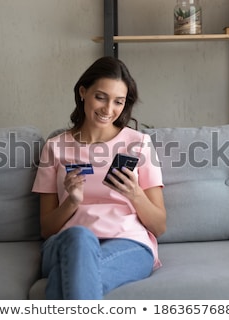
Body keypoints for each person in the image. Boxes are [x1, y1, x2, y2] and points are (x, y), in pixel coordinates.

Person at [32, 56, 166, 299]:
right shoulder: (55, 147)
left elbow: (159, 226)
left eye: (118, 102)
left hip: (128, 243)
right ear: (83, 92)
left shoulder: (139, 144)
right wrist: (72, 201)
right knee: (80, 237)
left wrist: (135, 194)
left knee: (71, 278)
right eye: (100, 97)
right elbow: (47, 229)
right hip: (67, 241)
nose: (108, 109)